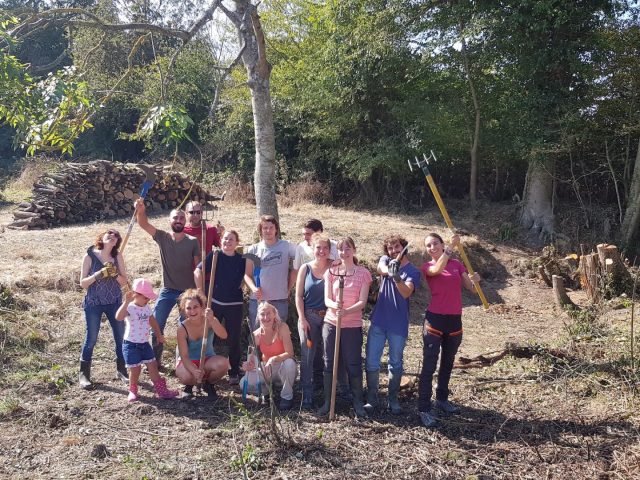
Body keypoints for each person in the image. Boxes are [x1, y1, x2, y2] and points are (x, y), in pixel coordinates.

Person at [418, 233, 481, 428]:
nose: (432, 247)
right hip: (434, 320)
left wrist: (476, 281)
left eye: (435, 243)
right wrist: (449, 249)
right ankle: (424, 408)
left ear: (441, 243)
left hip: (454, 321)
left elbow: (470, 288)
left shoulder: (456, 264)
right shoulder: (428, 267)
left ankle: (442, 400)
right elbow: (437, 270)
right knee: (429, 366)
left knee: (447, 363)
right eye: (428, 245)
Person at [134, 198, 200, 366]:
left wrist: (199, 292)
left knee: (184, 327)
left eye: (181, 218)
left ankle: (183, 362)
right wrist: (141, 210)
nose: (178, 221)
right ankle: (155, 361)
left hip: (186, 292)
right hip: (168, 289)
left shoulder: (192, 242)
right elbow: (143, 224)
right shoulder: (162, 237)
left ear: (185, 220)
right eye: (174, 218)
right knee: (156, 323)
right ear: (169, 220)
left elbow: (199, 267)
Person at [364, 235, 421, 415]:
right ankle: (372, 399)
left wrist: (397, 278)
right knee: (372, 361)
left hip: (398, 323)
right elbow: (380, 268)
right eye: (390, 248)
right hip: (379, 320)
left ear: (404, 248)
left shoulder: (413, 271)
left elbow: (406, 292)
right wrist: (390, 270)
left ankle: (392, 399)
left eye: (397, 247)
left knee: (395, 363)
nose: (393, 251)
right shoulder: (386, 260)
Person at [319, 237, 372, 418]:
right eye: (341, 249)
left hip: (352, 325)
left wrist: (347, 311)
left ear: (354, 250)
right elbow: (327, 299)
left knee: (353, 363)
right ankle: (328, 402)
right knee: (329, 362)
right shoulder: (332, 272)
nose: (344, 252)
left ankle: (357, 402)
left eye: (348, 248)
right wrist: (335, 306)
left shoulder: (363, 273)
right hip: (331, 323)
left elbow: (362, 301)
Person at [194, 229, 247, 385]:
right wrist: (200, 293)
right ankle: (206, 369)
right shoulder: (215, 256)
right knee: (210, 335)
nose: (227, 242)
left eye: (231, 239)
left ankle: (234, 372)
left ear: (237, 243)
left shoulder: (242, 259)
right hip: (215, 302)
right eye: (225, 239)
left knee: (234, 338)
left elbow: (250, 274)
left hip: (235, 304)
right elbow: (198, 270)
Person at [78, 228, 129, 389]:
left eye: (116, 236)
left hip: (114, 301)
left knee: (120, 336)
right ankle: (84, 374)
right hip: (94, 302)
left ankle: (121, 370)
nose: (112, 237)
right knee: (91, 338)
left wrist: (114, 274)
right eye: (110, 233)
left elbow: (124, 282)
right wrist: (98, 274)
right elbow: (83, 283)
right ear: (102, 237)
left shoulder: (117, 256)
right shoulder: (90, 256)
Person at [115, 278, 179, 402]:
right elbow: (118, 317)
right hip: (131, 344)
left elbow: (153, 322)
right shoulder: (130, 307)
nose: (148, 300)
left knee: (153, 366)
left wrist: (159, 334)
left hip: (144, 344)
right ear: (135, 295)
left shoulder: (147, 308)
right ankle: (133, 390)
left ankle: (161, 390)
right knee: (135, 369)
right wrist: (126, 302)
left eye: (149, 298)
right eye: (145, 297)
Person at [295, 232, 332, 409]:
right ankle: (307, 394)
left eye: (325, 248)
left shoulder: (335, 267)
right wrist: (302, 318)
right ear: (313, 249)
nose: (322, 251)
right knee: (307, 355)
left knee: (327, 356)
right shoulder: (305, 268)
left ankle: (328, 392)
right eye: (319, 247)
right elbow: (298, 296)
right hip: (309, 316)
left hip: (329, 317)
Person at [240, 302, 297, 411]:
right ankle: (266, 392)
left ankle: (286, 396)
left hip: (282, 366)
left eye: (268, 313)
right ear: (258, 316)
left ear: (274, 314)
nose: (265, 317)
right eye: (262, 314)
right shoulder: (256, 335)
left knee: (290, 363)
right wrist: (247, 364)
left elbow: (290, 353)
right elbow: (251, 357)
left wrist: (274, 358)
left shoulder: (283, 327)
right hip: (267, 369)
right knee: (243, 383)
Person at [175, 289, 229, 400]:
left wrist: (213, 320)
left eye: (196, 307)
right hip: (189, 362)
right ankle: (189, 386)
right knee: (185, 375)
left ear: (202, 307)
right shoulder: (182, 329)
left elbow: (224, 335)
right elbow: (184, 355)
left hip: (207, 359)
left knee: (224, 364)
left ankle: (208, 384)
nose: (192, 311)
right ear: (184, 310)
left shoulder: (209, 321)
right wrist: (193, 370)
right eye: (188, 308)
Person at [245, 215, 296, 330]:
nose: (268, 231)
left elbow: (299, 264)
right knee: (257, 335)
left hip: (280, 300)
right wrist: (253, 288)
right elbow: (247, 274)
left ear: (276, 229)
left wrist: (288, 288)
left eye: (271, 227)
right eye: (265, 228)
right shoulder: (253, 249)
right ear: (260, 230)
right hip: (258, 301)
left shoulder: (286, 246)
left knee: (279, 334)